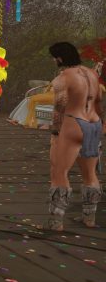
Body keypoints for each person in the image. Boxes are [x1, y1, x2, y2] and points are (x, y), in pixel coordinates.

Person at [47, 42, 102, 230]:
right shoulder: (93, 74)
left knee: (59, 171)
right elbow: (99, 102)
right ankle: (89, 218)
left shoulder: (63, 78)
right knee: (90, 173)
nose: (53, 61)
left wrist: (55, 133)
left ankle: (56, 222)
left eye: (54, 58)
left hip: (73, 124)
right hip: (94, 124)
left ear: (60, 58)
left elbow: (59, 108)